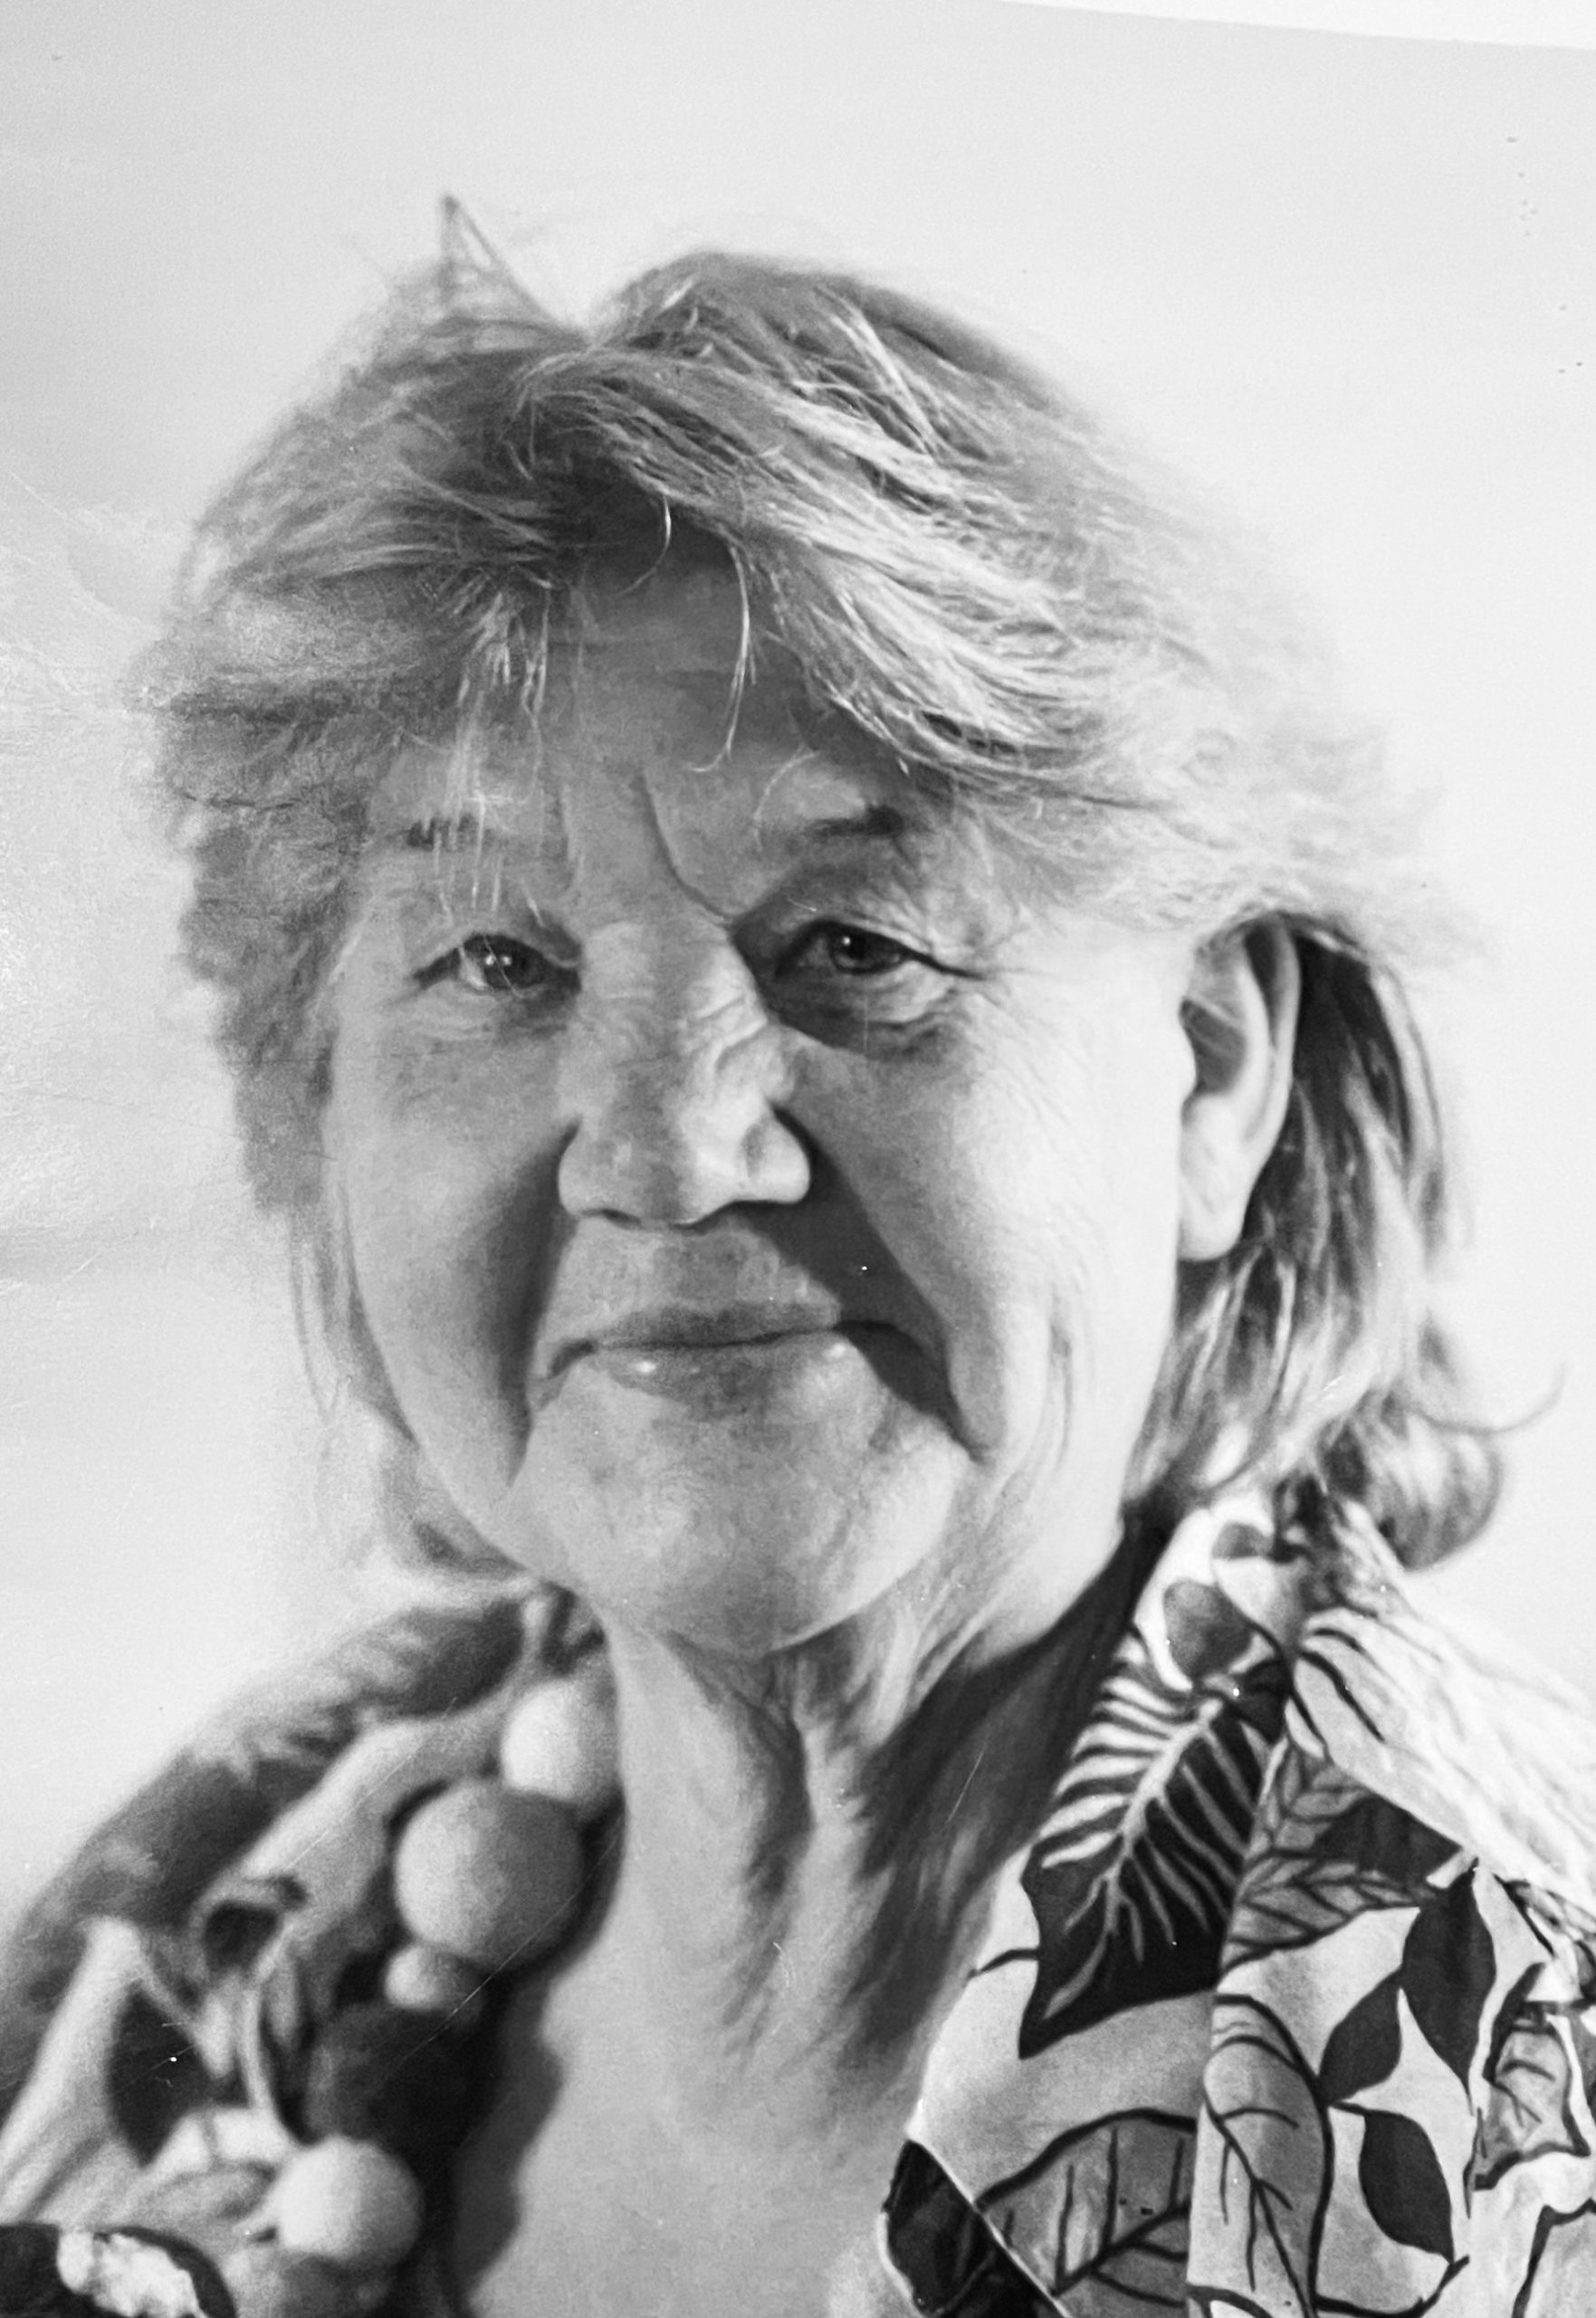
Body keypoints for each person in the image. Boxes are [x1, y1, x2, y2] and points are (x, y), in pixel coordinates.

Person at [3, 219, 1596, 2318]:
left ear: (1214, 1072)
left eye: (855, 945)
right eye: (498, 960)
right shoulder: (231, 1878)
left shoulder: (1496, 2048)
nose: (669, 1148)